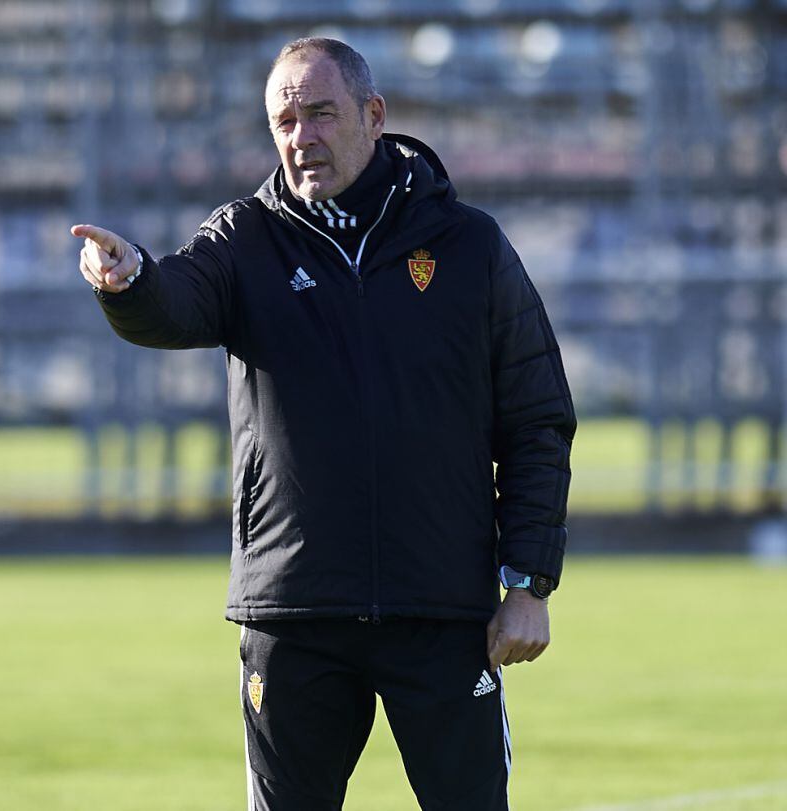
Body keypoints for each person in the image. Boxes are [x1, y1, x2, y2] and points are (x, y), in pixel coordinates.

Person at [72, 37, 575, 811]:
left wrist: (529, 581)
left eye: (320, 113)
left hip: (438, 606)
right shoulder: (245, 239)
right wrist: (132, 279)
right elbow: (176, 299)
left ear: (373, 116)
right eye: (284, 120)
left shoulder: (468, 245)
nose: (301, 136)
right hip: (295, 609)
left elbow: (537, 418)